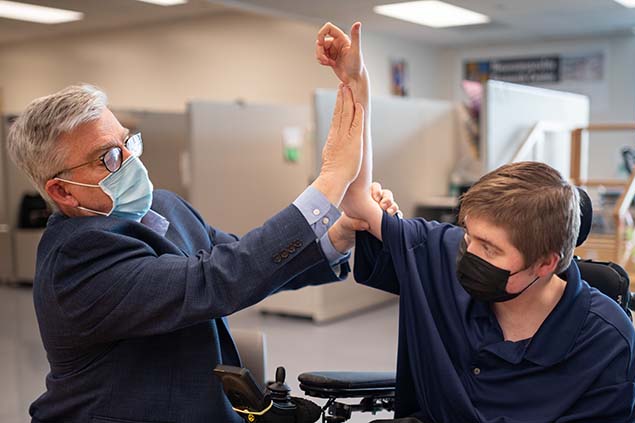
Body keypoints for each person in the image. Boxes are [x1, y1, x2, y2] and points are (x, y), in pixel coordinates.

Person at [7, 83, 399, 422]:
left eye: (128, 142)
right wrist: (330, 180)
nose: (131, 161)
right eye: (108, 157)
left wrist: (337, 236)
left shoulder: (164, 206)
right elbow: (214, 281)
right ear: (63, 191)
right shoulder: (75, 262)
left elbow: (243, 261)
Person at [316, 22, 635, 423]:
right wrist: (356, 82)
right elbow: (358, 201)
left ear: (545, 263)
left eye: (490, 248)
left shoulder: (605, 342)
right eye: (471, 237)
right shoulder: (445, 253)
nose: (468, 253)